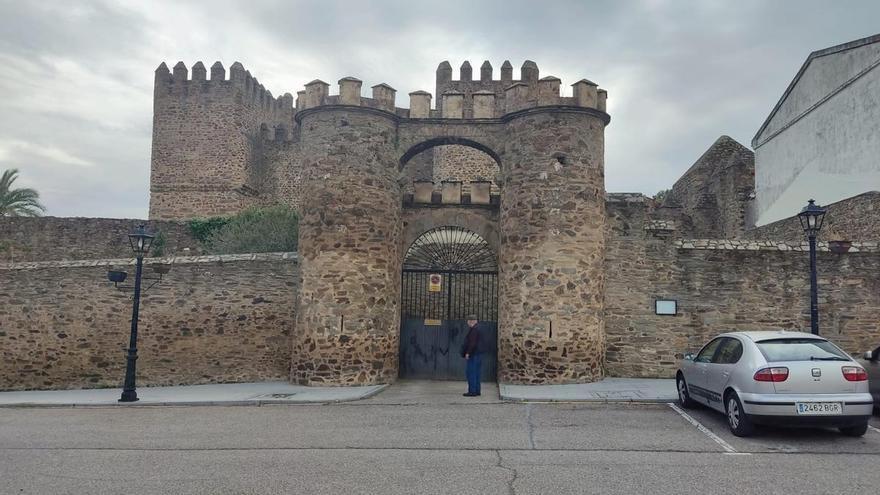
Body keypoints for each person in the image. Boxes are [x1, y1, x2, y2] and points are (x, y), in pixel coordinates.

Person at [462, 314, 482, 397]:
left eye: (468, 321)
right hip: (479, 354)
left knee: (471, 373)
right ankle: (477, 390)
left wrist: (468, 353)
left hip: (473, 354)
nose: (467, 323)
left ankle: (472, 391)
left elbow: (472, 343)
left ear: (471, 321)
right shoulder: (479, 329)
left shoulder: (473, 330)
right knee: (477, 373)